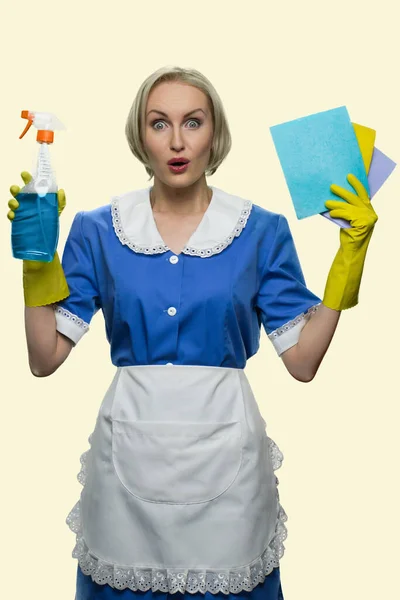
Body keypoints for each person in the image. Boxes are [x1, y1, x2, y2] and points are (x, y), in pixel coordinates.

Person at [7, 66, 378, 600]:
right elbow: (44, 359)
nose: (177, 141)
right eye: (159, 124)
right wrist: (36, 262)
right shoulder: (97, 228)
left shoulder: (260, 229)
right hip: (127, 467)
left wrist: (349, 256)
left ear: (215, 135)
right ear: (140, 136)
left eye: (193, 122)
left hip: (228, 463)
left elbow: (302, 362)